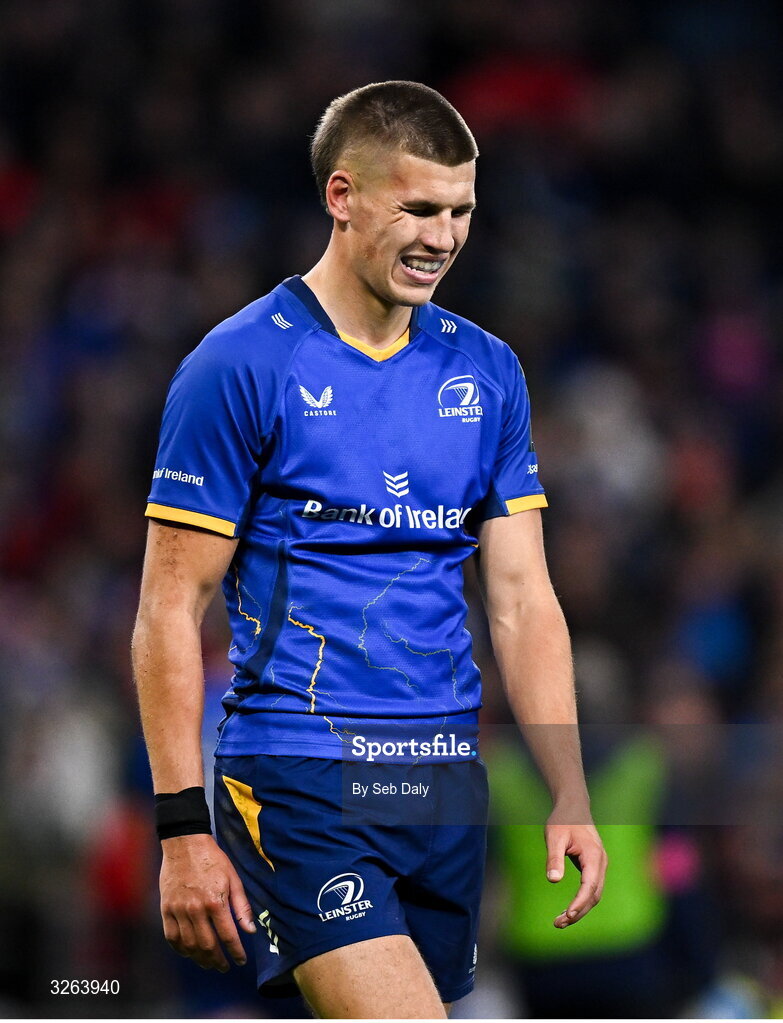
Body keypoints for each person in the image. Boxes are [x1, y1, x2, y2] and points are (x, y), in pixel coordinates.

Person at [132, 80, 607, 1019]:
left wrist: (569, 789)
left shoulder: (488, 371)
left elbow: (521, 600)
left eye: (461, 210)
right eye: (418, 207)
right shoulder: (240, 366)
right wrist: (182, 828)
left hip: (443, 784)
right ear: (341, 197)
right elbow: (168, 608)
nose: (443, 236)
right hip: (303, 772)